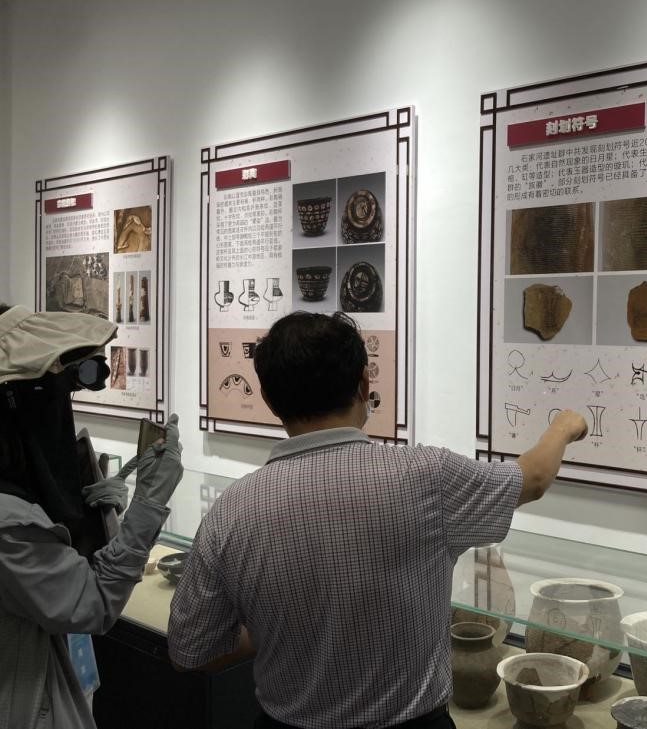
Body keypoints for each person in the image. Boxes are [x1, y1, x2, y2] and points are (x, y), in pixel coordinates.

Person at [168, 311, 587, 729]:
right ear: (364, 384)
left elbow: (191, 652)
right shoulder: (428, 477)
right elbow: (533, 478)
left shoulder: (231, 510)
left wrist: (274, 632)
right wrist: (564, 426)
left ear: (268, 398)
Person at [0, 303, 185, 729]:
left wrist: (96, 511)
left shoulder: (16, 486)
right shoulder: (10, 525)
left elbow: (66, 562)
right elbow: (93, 604)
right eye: (52, 397)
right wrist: (148, 504)